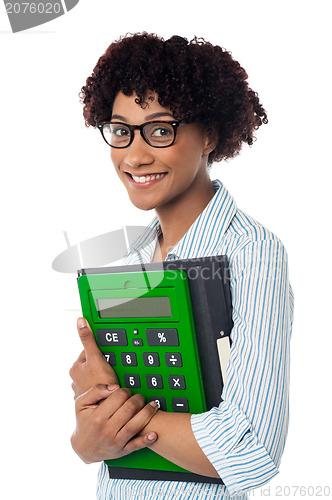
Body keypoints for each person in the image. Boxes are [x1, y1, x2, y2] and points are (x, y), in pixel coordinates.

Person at [69, 33, 294, 500]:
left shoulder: (252, 253)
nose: (134, 155)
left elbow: (250, 449)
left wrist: (126, 413)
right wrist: (88, 436)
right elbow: (94, 445)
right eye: (120, 129)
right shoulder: (128, 265)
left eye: (160, 129)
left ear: (209, 134)